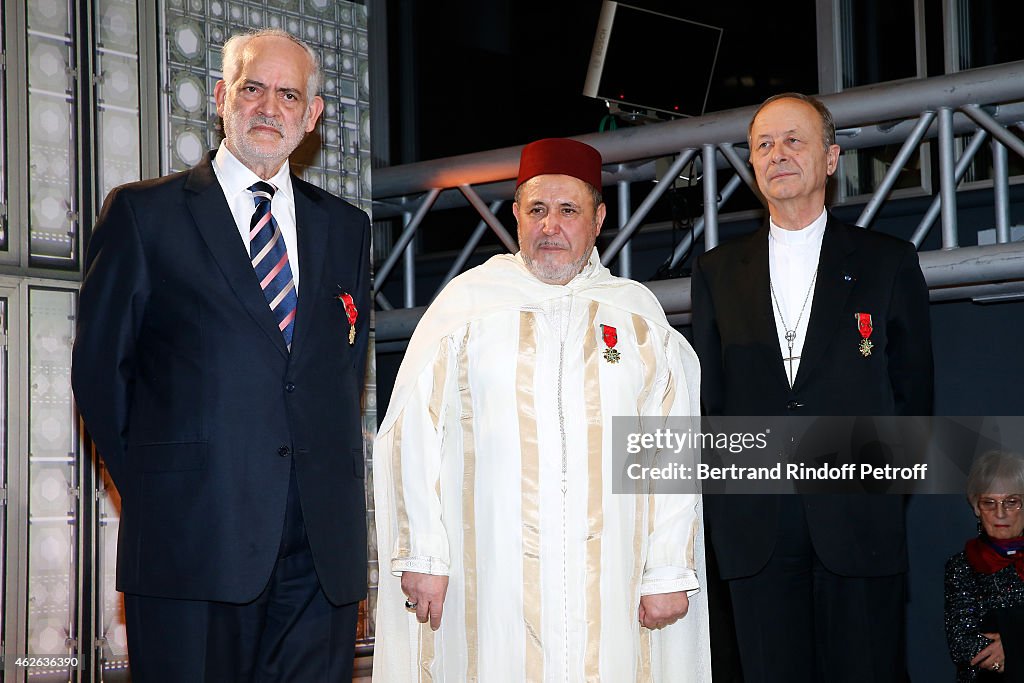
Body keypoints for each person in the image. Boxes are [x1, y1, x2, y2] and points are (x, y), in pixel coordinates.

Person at [71, 29, 370, 682]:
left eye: (289, 94)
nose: (270, 107)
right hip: (190, 546)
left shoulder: (346, 228)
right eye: (252, 88)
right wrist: (164, 494)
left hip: (319, 558)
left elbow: (339, 375)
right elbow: (99, 377)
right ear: (220, 98)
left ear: (312, 115)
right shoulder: (144, 216)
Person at [372, 138, 711, 681]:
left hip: (609, 582)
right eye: (537, 210)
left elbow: (670, 450)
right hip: (490, 579)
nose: (551, 225)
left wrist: (667, 567)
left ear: (598, 219)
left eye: (568, 210)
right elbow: (414, 434)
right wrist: (426, 557)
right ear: (516, 216)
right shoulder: (466, 308)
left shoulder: (638, 319)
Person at [691, 93, 934, 682]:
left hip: (859, 523)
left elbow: (914, 398)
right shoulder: (717, 272)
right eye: (764, 145)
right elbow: (711, 406)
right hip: (756, 533)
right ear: (752, 166)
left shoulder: (888, 262)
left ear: (830, 158)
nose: (778, 154)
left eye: (794, 140)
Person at [946, 450, 1024, 682]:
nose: (1000, 513)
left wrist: (1010, 645)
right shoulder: (962, 566)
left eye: (1012, 502)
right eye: (989, 503)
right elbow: (962, 644)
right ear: (977, 509)